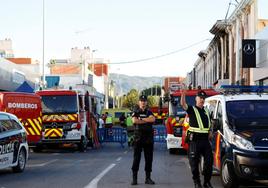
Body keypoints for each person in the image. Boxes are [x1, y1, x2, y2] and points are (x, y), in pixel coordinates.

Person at [180, 86, 213, 188]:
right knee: (194, 164)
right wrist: (184, 93)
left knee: (209, 162)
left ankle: (206, 182)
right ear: (196, 98)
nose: (202, 100)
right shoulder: (191, 109)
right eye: (200, 98)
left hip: (205, 141)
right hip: (194, 141)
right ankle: (197, 182)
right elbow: (183, 104)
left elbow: (210, 123)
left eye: (203, 98)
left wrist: (210, 131)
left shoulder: (206, 111)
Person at [131, 95, 156, 185]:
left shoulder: (149, 112)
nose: (143, 102)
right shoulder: (136, 112)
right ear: (139, 102)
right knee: (136, 158)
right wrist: (147, 120)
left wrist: (141, 119)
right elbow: (134, 121)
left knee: (149, 159)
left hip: (148, 139)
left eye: (144, 101)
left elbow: (153, 119)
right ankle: (134, 179)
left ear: (146, 102)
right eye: (141, 101)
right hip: (138, 138)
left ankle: (148, 178)